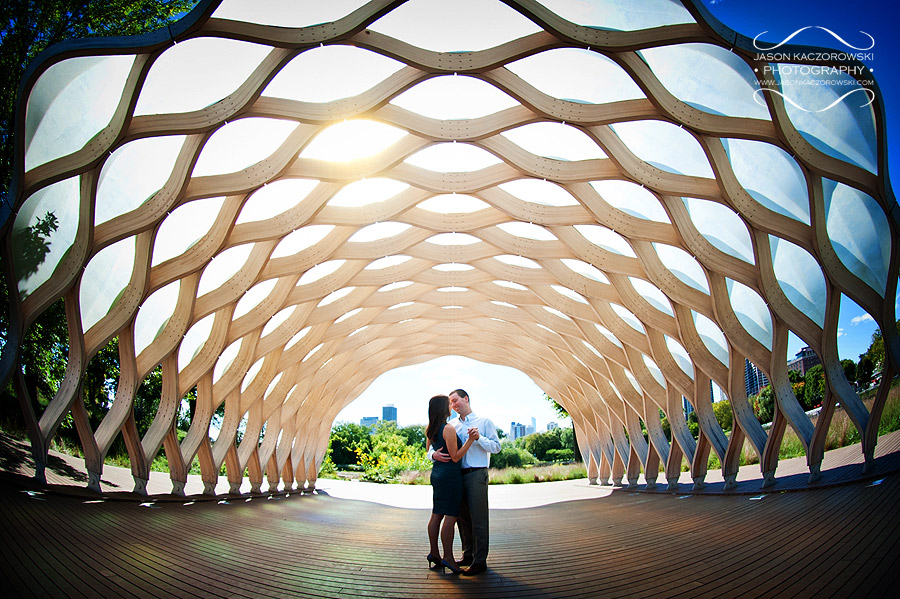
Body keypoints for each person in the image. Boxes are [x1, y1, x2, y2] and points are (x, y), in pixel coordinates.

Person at [432, 389, 501, 576]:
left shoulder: (484, 422)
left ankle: (480, 561)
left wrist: (480, 438)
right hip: (456, 477)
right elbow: (433, 445)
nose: (453, 405)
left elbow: (496, 447)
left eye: (455, 401)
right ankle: (468, 554)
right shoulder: (451, 425)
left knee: (479, 519)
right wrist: (432, 454)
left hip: (476, 474)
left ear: (466, 399)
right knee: (461, 519)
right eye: (450, 403)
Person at [425, 394, 475, 574]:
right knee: (451, 516)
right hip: (450, 477)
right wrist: (470, 440)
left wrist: (433, 455)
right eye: (448, 404)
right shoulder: (448, 429)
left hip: (437, 474)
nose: (451, 406)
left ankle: (434, 553)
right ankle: (448, 557)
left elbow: (429, 450)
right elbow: (455, 457)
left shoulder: (430, 429)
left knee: (436, 514)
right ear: (442, 408)